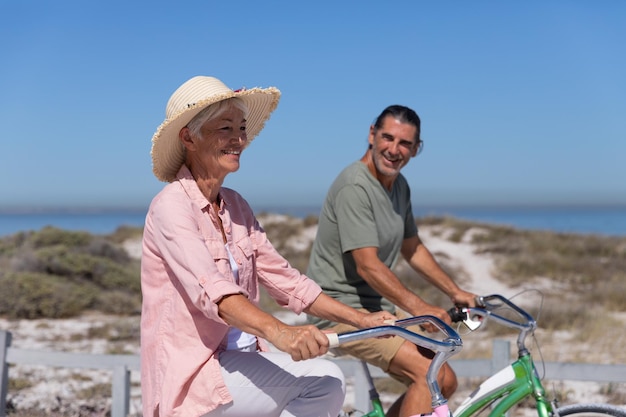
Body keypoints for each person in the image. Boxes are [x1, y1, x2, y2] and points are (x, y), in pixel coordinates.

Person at [140, 75, 396, 417]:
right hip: (197, 375)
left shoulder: (235, 205)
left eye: (241, 128)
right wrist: (282, 333)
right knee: (325, 381)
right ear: (189, 136)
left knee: (324, 381)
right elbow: (214, 293)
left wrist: (361, 320)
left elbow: (287, 281)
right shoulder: (171, 205)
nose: (238, 139)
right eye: (224, 128)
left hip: (243, 362)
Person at [306, 104, 478, 417]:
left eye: (405, 144)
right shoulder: (354, 186)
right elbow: (368, 266)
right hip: (339, 309)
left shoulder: (399, 185)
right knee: (431, 376)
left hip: (375, 306)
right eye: (387, 138)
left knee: (445, 379)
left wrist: (455, 292)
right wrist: (420, 309)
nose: (394, 150)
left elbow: (412, 248)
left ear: (416, 149)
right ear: (372, 135)